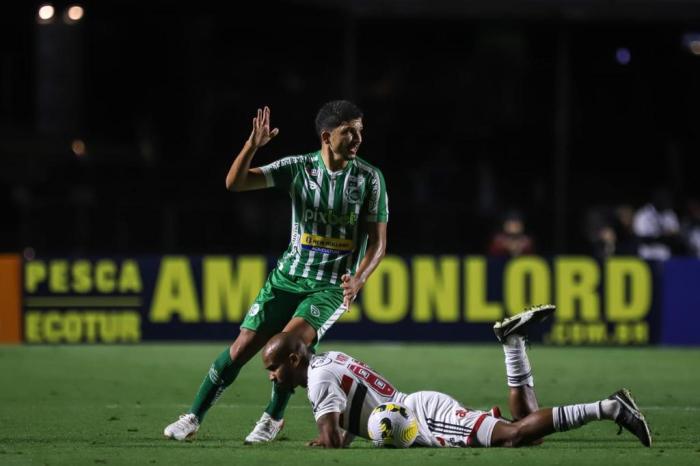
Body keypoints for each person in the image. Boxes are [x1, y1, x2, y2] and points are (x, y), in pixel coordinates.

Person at [164, 101, 389, 443]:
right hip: (287, 279)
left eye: (360, 130)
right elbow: (235, 184)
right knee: (240, 349)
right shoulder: (298, 168)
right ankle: (193, 416)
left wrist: (358, 279)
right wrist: (252, 146)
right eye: (349, 131)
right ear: (327, 137)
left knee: (290, 346)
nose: (358, 137)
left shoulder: (370, 179)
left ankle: (273, 417)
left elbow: (378, 243)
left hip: (329, 287)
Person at [261, 305, 652, 449]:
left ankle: (610, 407)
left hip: (422, 419)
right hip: (415, 412)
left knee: (515, 436)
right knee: (524, 431)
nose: (272, 377)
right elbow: (352, 418)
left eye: (273, 368)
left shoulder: (317, 379)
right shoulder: (327, 361)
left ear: (294, 359)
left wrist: (319, 443)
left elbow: (330, 440)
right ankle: (514, 343)